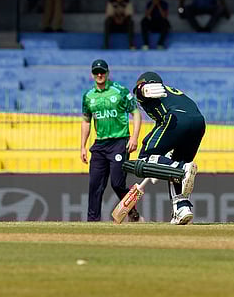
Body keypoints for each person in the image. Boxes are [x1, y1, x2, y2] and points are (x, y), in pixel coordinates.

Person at [132, 72, 205, 225]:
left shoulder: (153, 91)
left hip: (176, 119)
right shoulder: (173, 95)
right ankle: (182, 208)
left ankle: (181, 168)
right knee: (176, 166)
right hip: (198, 122)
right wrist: (161, 161)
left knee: (145, 158)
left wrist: (142, 89)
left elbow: (142, 91)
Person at [81, 59, 142, 222]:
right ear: (92, 74)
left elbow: (136, 113)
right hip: (100, 145)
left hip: (119, 142)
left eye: (102, 71)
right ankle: (92, 221)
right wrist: (82, 147)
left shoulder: (119, 91)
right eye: (96, 72)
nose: (99, 75)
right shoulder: (88, 96)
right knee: (95, 185)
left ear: (108, 73)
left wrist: (134, 137)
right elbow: (86, 121)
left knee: (117, 183)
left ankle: (132, 210)